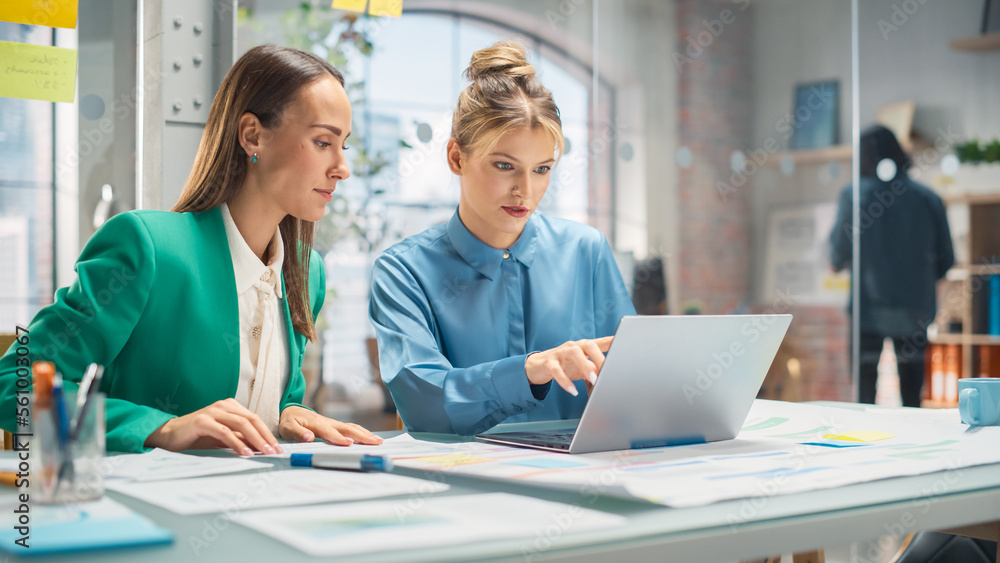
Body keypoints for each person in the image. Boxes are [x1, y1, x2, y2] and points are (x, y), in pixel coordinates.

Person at [0, 45, 382, 454]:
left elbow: (266, 393)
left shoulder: (307, 272)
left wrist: (288, 411)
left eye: (343, 145)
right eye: (323, 142)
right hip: (140, 509)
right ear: (253, 135)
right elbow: (14, 386)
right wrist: (160, 428)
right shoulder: (146, 246)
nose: (342, 167)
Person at [369, 40, 636, 435]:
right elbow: (427, 406)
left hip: (577, 480)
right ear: (457, 158)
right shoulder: (403, 272)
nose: (525, 191)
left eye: (542, 169)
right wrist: (529, 371)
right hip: (460, 487)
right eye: (505, 166)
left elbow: (632, 384)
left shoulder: (586, 251)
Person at [828, 124, 954, 407]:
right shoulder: (928, 198)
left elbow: (837, 254)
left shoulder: (854, 196)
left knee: (863, 399)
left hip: (868, 311)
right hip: (915, 311)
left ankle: (864, 449)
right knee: (912, 400)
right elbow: (947, 260)